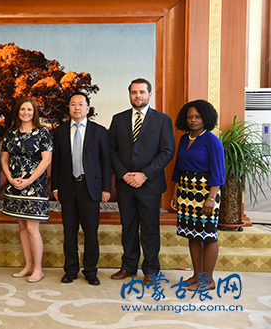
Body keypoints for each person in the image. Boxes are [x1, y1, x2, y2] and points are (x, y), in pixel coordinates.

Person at [109, 78, 175, 285]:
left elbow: (167, 152)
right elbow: (111, 150)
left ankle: (151, 269)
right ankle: (128, 266)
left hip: (150, 184)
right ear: (129, 95)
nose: (138, 96)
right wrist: (123, 174)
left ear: (149, 95)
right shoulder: (118, 119)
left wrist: (144, 175)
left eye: (142, 92)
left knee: (150, 229)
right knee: (128, 228)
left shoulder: (162, 120)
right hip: (125, 184)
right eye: (134, 92)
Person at [51, 92, 111, 286]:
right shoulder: (60, 131)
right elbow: (57, 162)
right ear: (68, 108)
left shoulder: (99, 131)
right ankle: (70, 270)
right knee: (69, 232)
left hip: (90, 187)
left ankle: (91, 271)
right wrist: (55, 187)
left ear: (88, 108)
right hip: (67, 186)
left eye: (81, 104)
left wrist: (106, 188)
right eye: (73, 104)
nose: (77, 108)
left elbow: (106, 162)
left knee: (90, 232)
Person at [170, 100, 224, 291]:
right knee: (193, 234)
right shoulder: (185, 139)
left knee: (207, 235)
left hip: (205, 192)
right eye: (190, 117)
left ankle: (208, 279)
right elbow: (178, 168)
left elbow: (218, 172)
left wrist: (211, 198)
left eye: (198, 117)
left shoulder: (211, 140)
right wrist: (175, 193)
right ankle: (197, 275)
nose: (193, 120)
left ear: (206, 118)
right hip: (186, 192)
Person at [1, 96, 53, 283]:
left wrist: (29, 180)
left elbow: (46, 160)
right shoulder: (10, 133)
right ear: (17, 111)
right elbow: (4, 159)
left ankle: (38, 269)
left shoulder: (42, 133)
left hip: (35, 187)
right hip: (14, 185)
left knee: (32, 227)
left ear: (34, 112)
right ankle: (27, 265)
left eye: (29, 109)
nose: (26, 112)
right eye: (22, 109)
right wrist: (10, 179)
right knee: (22, 226)